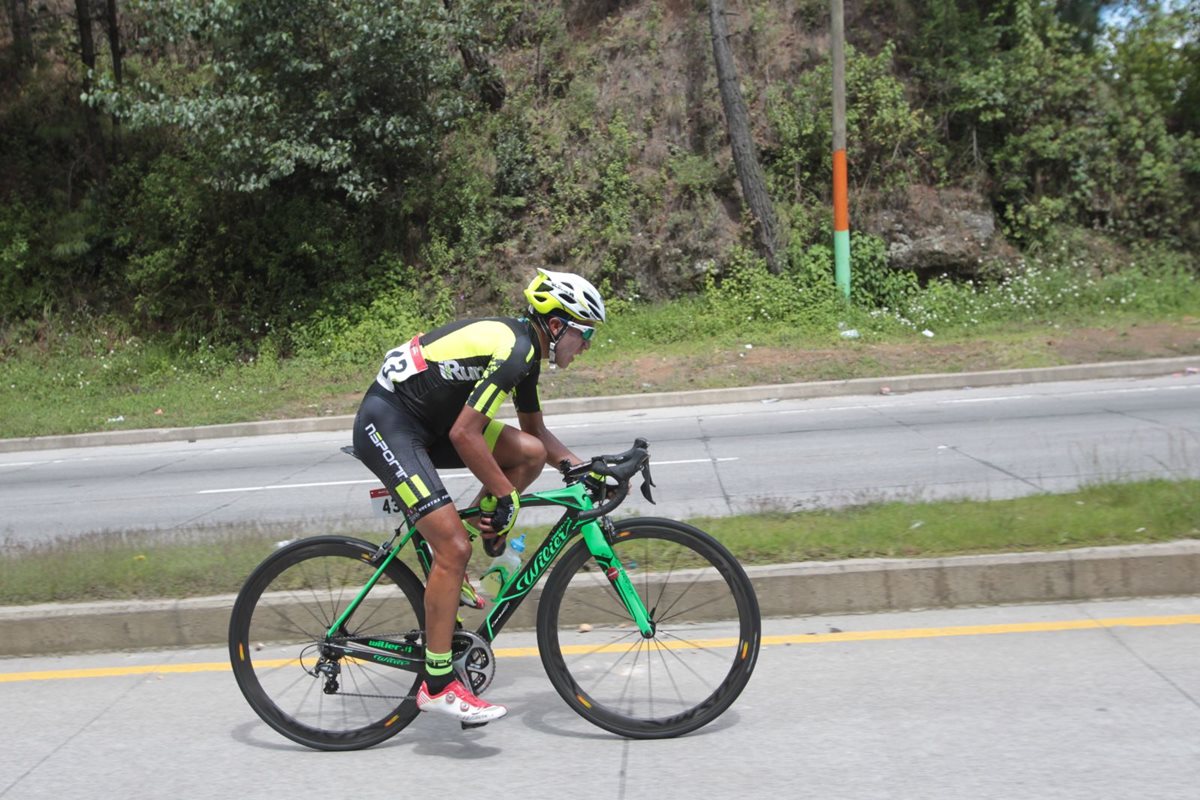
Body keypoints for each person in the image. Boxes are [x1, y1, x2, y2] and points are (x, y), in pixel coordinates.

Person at [350, 268, 606, 724]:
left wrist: (581, 467)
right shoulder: (517, 350)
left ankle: (464, 550)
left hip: (428, 423)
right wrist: (505, 495)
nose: (587, 346)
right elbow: (465, 434)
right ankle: (437, 685)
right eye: (585, 334)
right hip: (391, 424)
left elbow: (535, 435)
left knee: (528, 454)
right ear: (556, 324)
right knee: (453, 547)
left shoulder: (526, 350)